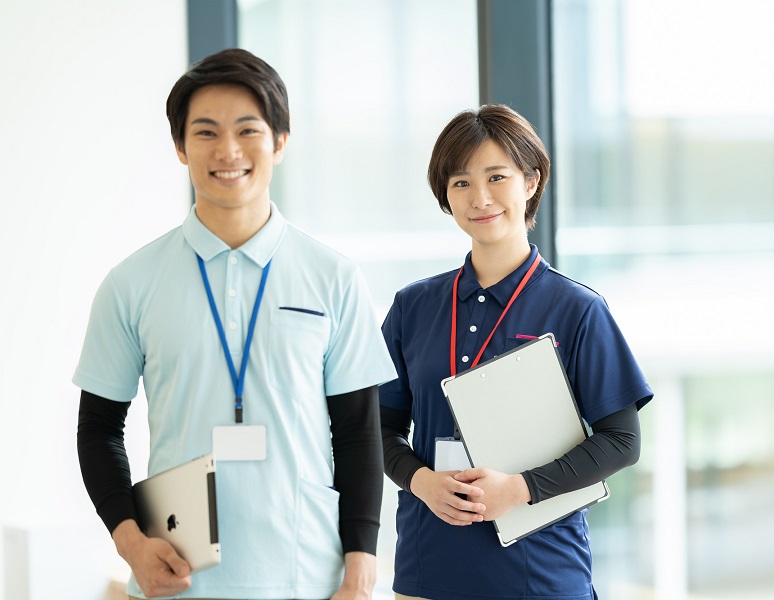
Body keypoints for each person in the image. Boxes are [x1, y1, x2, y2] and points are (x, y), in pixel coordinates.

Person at [74, 48, 396, 600]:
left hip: (309, 579)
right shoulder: (131, 283)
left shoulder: (334, 277)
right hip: (177, 581)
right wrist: (131, 545)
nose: (228, 150)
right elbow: (99, 429)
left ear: (279, 141)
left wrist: (361, 571)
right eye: (205, 133)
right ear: (180, 147)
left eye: (248, 129)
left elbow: (359, 432)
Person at [378, 104, 654, 600]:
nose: (479, 197)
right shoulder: (412, 307)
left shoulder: (577, 309)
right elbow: (377, 427)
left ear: (530, 182)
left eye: (496, 177)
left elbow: (621, 440)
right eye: (460, 182)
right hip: (427, 572)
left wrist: (519, 488)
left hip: (541, 575)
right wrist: (420, 481)